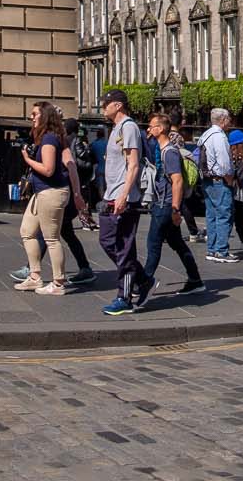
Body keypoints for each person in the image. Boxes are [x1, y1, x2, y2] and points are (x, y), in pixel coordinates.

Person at [132, 112, 204, 304]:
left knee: (153, 244)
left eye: (153, 126)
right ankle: (195, 279)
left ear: (162, 128)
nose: (149, 129)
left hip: (166, 205)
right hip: (163, 202)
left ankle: (145, 282)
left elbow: (177, 181)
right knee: (177, 243)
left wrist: (175, 209)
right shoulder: (160, 148)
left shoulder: (170, 152)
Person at [94, 88, 151, 317]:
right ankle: (143, 279)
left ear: (118, 105)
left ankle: (124, 297)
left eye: (106, 103)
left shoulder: (128, 127)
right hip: (111, 194)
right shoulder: (116, 129)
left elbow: (134, 164)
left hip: (124, 197)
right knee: (107, 240)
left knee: (124, 247)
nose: (103, 107)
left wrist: (124, 195)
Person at [12, 102, 74, 295]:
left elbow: (48, 169)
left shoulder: (48, 139)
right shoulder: (50, 137)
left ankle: (57, 283)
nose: (31, 117)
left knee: (51, 239)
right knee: (27, 231)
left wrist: (28, 160)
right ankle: (35, 276)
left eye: (35, 114)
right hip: (43, 192)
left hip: (51, 192)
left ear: (45, 117)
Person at [195, 108, 237, 263]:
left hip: (207, 180)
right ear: (223, 120)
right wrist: (229, 179)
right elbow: (224, 164)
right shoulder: (219, 137)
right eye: (229, 119)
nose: (230, 122)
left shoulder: (206, 135)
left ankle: (212, 249)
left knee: (211, 215)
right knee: (224, 215)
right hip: (219, 180)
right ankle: (221, 251)